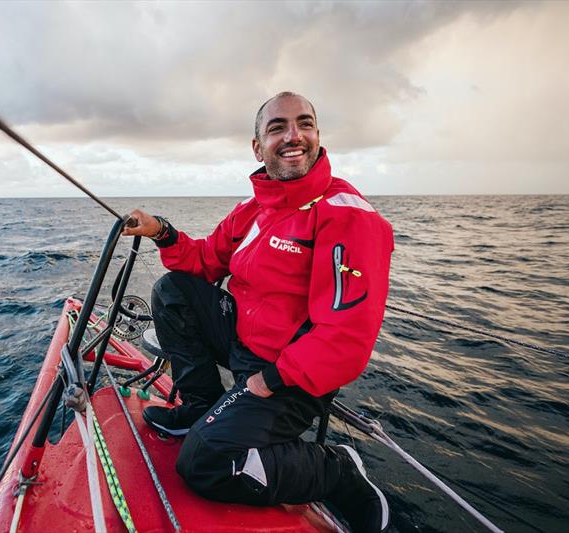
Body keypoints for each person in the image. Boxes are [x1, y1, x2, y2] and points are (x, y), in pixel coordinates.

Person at [123, 91, 394, 533]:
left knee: (205, 462)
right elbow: (204, 261)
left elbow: (346, 336)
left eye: (304, 124)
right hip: (244, 343)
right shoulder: (254, 210)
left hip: (291, 374)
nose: (294, 136)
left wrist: (269, 380)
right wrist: (163, 231)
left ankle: (337, 470)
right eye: (277, 127)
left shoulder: (347, 216)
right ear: (257, 147)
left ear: (318, 135)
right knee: (173, 290)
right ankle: (201, 404)